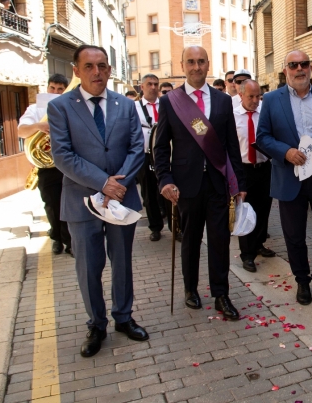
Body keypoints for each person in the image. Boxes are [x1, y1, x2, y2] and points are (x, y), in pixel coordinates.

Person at [48, 45, 148, 357]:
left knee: (122, 263)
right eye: (89, 66)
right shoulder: (61, 107)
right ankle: (96, 323)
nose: (97, 72)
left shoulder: (125, 105)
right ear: (75, 70)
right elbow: (62, 155)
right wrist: (103, 183)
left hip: (122, 198)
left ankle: (123, 317)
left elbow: (136, 148)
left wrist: (119, 184)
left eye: (102, 66)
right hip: (82, 201)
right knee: (88, 267)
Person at [154, 46, 247, 320]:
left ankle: (221, 294)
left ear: (208, 65)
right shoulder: (171, 101)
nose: (196, 67)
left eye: (201, 62)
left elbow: (231, 144)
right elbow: (160, 148)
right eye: (191, 62)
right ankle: (190, 289)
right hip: (186, 184)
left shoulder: (222, 101)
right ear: (183, 65)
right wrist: (165, 179)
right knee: (191, 240)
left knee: (219, 241)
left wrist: (239, 181)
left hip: (218, 182)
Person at [257, 50, 312, 306]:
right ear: (285, 70)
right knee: (294, 235)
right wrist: (285, 152)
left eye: (304, 64)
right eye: (293, 65)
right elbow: (263, 137)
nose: (299, 69)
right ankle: (302, 281)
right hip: (289, 178)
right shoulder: (272, 100)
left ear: (310, 67)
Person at [18, 73, 72, 255]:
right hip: (47, 167)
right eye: (52, 88)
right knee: (51, 204)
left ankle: (70, 241)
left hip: (68, 163)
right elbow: (21, 131)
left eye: (60, 89)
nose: (55, 92)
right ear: (47, 88)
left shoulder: (71, 108)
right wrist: (38, 127)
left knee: (69, 203)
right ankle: (56, 238)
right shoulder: (35, 109)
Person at [233, 79, 275, 272]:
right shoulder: (233, 116)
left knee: (263, 208)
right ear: (240, 95)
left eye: (258, 96)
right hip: (243, 170)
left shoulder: (265, 114)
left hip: (264, 167)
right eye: (251, 96)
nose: (256, 100)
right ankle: (247, 254)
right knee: (245, 212)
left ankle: (259, 244)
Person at [134, 74, 168, 242]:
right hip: (145, 156)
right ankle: (155, 227)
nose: (153, 87)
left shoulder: (166, 104)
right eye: (149, 84)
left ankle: (175, 226)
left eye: (156, 84)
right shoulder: (134, 107)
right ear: (142, 87)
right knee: (149, 193)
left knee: (168, 189)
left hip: (164, 154)